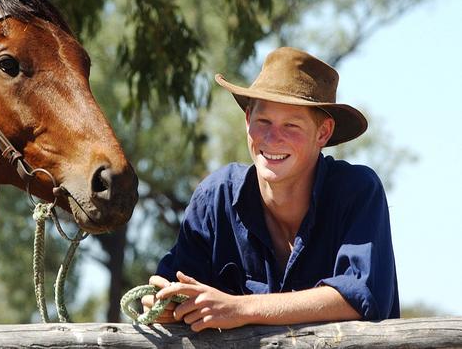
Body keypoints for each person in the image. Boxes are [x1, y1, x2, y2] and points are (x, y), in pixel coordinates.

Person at [142, 47, 399, 332]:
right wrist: (164, 305)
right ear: (247, 119)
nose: (272, 138)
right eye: (263, 122)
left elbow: (361, 297)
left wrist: (238, 308)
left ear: (323, 133)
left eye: (291, 125)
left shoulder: (357, 191)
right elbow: (173, 294)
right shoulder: (214, 198)